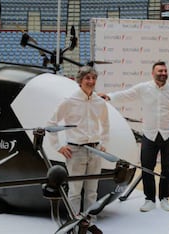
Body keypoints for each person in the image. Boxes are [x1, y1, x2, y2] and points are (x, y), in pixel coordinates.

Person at [99, 61, 169, 212]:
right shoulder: (143, 88)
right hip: (149, 135)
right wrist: (109, 96)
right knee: (147, 168)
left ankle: (164, 198)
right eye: (160, 71)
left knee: (167, 169)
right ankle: (149, 199)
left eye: (165, 71)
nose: (163, 73)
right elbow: (126, 95)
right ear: (153, 73)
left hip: (168, 136)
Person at [47, 65, 109, 234]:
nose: (91, 81)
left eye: (93, 78)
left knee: (91, 191)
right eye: (87, 78)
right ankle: (74, 224)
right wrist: (58, 146)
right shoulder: (69, 100)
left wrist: (103, 142)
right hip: (76, 151)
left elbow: (105, 124)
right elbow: (52, 123)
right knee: (75, 191)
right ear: (79, 81)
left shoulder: (98, 101)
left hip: (95, 151)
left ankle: (89, 223)